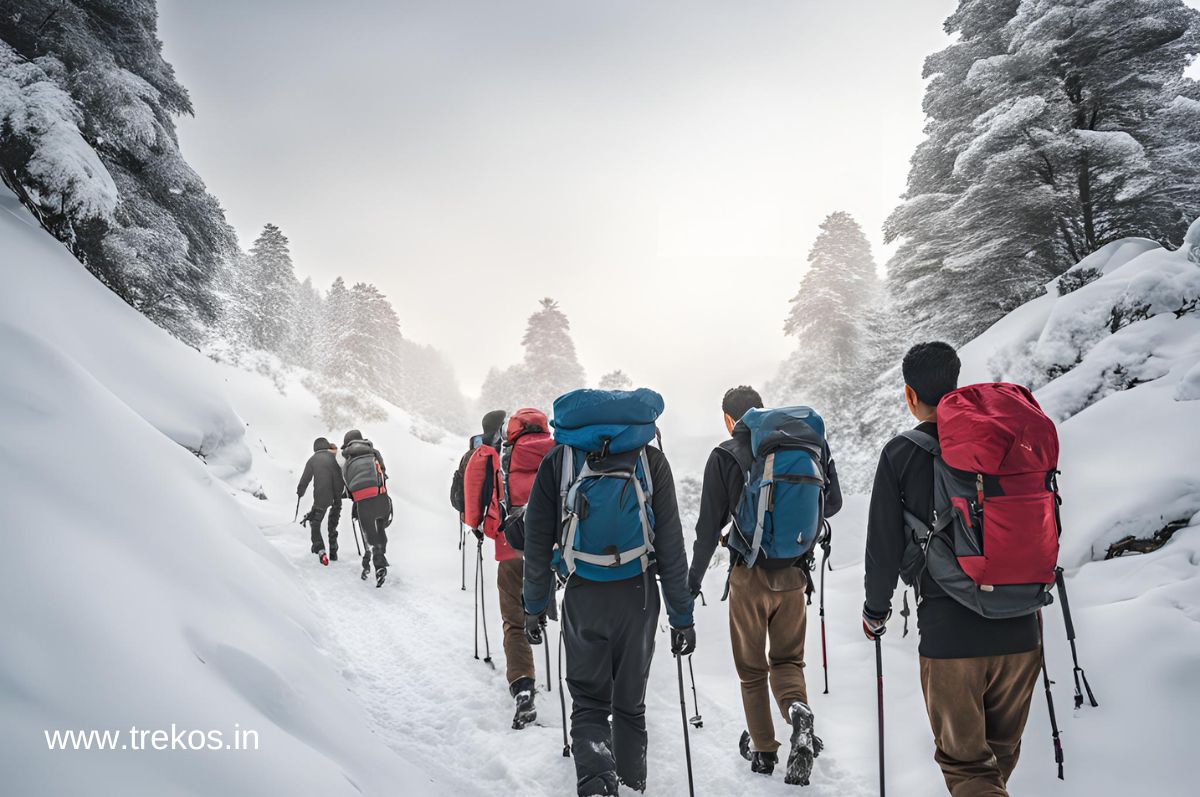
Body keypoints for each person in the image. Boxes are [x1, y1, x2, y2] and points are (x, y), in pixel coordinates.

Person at [862, 342, 1042, 796]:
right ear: (955, 381)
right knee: (996, 766)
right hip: (1023, 630)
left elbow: (882, 546)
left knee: (969, 772)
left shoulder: (901, 454)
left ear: (909, 394)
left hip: (951, 634)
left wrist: (875, 610)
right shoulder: (1005, 439)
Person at [523, 387, 695, 797]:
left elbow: (536, 539)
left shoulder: (559, 461)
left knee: (588, 702)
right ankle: (633, 785)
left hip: (583, 591)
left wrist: (533, 605)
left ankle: (598, 783)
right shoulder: (650, 460)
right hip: (638, 595)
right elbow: (671, 545)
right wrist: (681, 617)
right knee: (630, 704)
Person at [687, 386, 842, 786]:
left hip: (749, 576)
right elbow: (835, 501)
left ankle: (763, 751)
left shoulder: (725, 453)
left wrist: (690, 585)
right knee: (788, 662)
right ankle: (798, 713)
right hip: (794, 576)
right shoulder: (806, 441)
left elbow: (707, 529)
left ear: (728, 419)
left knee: (753, 671)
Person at [464, 408, 554, 729]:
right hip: (556, 551)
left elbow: (475, 498)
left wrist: (475, 526)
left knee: (514, 622)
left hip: (512, 547)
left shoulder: (498, 455)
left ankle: (524, 689)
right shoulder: (560, 450)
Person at [342, 429, 392, 587]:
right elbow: (383, 473)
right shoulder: (374, 452)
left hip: (363, 502)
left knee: (369, 534)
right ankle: (380, 560)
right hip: (380, 497)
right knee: (380, 528)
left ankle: (372, 564)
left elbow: (348, 487)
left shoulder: (347, 460)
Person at [297, 437, 345, 564]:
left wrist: (300, 492)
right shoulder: (334, 457)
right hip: (337, 495)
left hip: (321, 497)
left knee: (315, 522)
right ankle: (334, 553)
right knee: (332, 525)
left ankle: (321, 550)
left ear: (315, 448)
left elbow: (305, 479)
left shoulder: (312, 460)